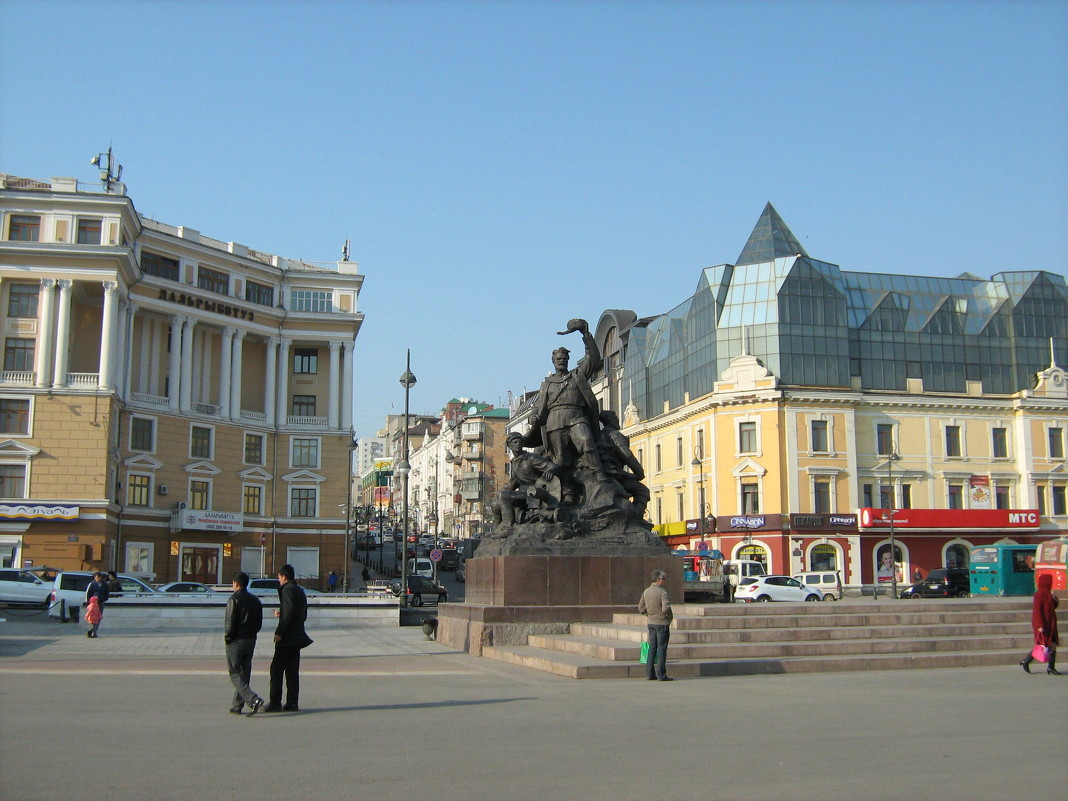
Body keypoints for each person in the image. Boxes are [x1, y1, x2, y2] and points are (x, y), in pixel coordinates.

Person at [523, 318, 606, 504]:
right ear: (553, 361)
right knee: (561, 459)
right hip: (555, 421)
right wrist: (532, 417)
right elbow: (538, 406)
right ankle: (567, 495)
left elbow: (593, 357)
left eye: (564, 358)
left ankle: (600, 477)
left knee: (586, 442)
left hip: (576, 417)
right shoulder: (548, 383)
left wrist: (585, 334)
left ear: (568, 360)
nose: (561, 361)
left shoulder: (577, 375)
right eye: (558, 359)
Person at [264, 564, 313, 712]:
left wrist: (279, 632)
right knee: (292, 672)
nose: (279, 580)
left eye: (279, 577)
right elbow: (300, 613)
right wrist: (282, 613)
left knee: (276, 669)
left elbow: (290, 614)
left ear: (284, 577)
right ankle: (292, 702)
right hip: (297, 637)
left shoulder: (287, 590)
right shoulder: (299, 590)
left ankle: (275, 702)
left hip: (287, 638)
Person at [224, 571, 265, 715]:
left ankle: (253, 699)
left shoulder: (234, 599)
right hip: (250, 639)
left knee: (235, 672)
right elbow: (259, 622)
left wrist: (228, 638)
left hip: (236, 641)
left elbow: (230, 623)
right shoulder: (255, 600)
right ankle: (237, 705)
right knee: (244, 672)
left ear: (236, 584)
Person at [497, 432, 560, 525]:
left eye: (519, 442)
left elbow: (553, 466)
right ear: (509, 445)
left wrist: (550, 471)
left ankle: (507, 527)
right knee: (495, 503)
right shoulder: (514, 462)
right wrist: (499, 493)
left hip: (533, 492)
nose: (518, 445)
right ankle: (499, 528)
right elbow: (513, 482)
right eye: (514, 442)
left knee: (503, 496)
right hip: (521, 494)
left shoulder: (531, 458)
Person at [1020, 573, 1060, 675]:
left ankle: (1050, 667)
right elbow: (1037, 611)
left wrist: (1055, 601)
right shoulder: (1040, 594)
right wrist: (1039, 626)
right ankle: (1027, 661)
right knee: (1043, 645)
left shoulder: (1048, 593)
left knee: (1051, 644)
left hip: (1050, 624)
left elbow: (1050, 608)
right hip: (1043, 624)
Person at [638, 569, 674, 681]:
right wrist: (668, 616)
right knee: (662, 649)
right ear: (659, 580)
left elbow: (640, 608)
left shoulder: (646, 591)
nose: (665, 581)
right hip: (662, 623)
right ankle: (661, 675)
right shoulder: (662, 592)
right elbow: (666, 607)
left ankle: (650, 674)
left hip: (651, 623)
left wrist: (648, 614)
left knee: (652, 648)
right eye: (664, 579)